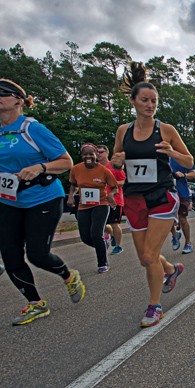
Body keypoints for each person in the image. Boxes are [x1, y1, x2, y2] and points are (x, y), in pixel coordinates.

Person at [111, 63, 190, 327]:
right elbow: (115, 161)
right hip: (134, 197)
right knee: (146, 258)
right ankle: (170, 269)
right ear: (133, 101)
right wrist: (118, 161)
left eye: (154, 101)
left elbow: (189, 161)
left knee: (148, 256)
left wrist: (171, 152)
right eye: (144, 100)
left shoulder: (165, 129)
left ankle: (154, 307)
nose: (150, 105)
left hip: (161, 196)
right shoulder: (123, 131)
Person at [0, 79, 85, 325]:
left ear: (18, 100)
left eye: (2, 93)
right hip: (9, 200)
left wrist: (40, 166)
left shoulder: (32, 129)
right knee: (11, 254)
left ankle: (69, 276)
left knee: (37, 254)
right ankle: (35, 303)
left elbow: (65, 162)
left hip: (43, 197)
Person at [68, 143, 119, 273]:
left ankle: (102, 263)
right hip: (83, 206)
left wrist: (111, 195)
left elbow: (114, 187)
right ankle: (104, 245)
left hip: (101, 204)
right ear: (82, 155)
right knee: (85, 237)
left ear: (96, 155)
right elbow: (73, 185)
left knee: (96, 234)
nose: (88, 156)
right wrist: (71, 197)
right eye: (85, 154)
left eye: (91, 154)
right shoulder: (76, 169)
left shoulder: (103, 170)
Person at [97, 144, 126, 255]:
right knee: (101, 224)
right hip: (100, 200)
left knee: (114, 224)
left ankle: (118, 246)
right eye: (97, 152)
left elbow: (123, 181)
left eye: (101, 152)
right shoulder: (95, 167)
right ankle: (112, 235)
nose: (98, 154)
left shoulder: (114, 166)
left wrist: (111, 183)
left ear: (107, 153)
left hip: (115, 199)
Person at [170, 157, 195, 254]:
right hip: (167, 192)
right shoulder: (161, 157)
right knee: (167, 219)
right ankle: (175, 234)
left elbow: (193, 174)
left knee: (182, 219)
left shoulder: (182, 157)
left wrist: (184, 174)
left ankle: (188, 243)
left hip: (182, 193)